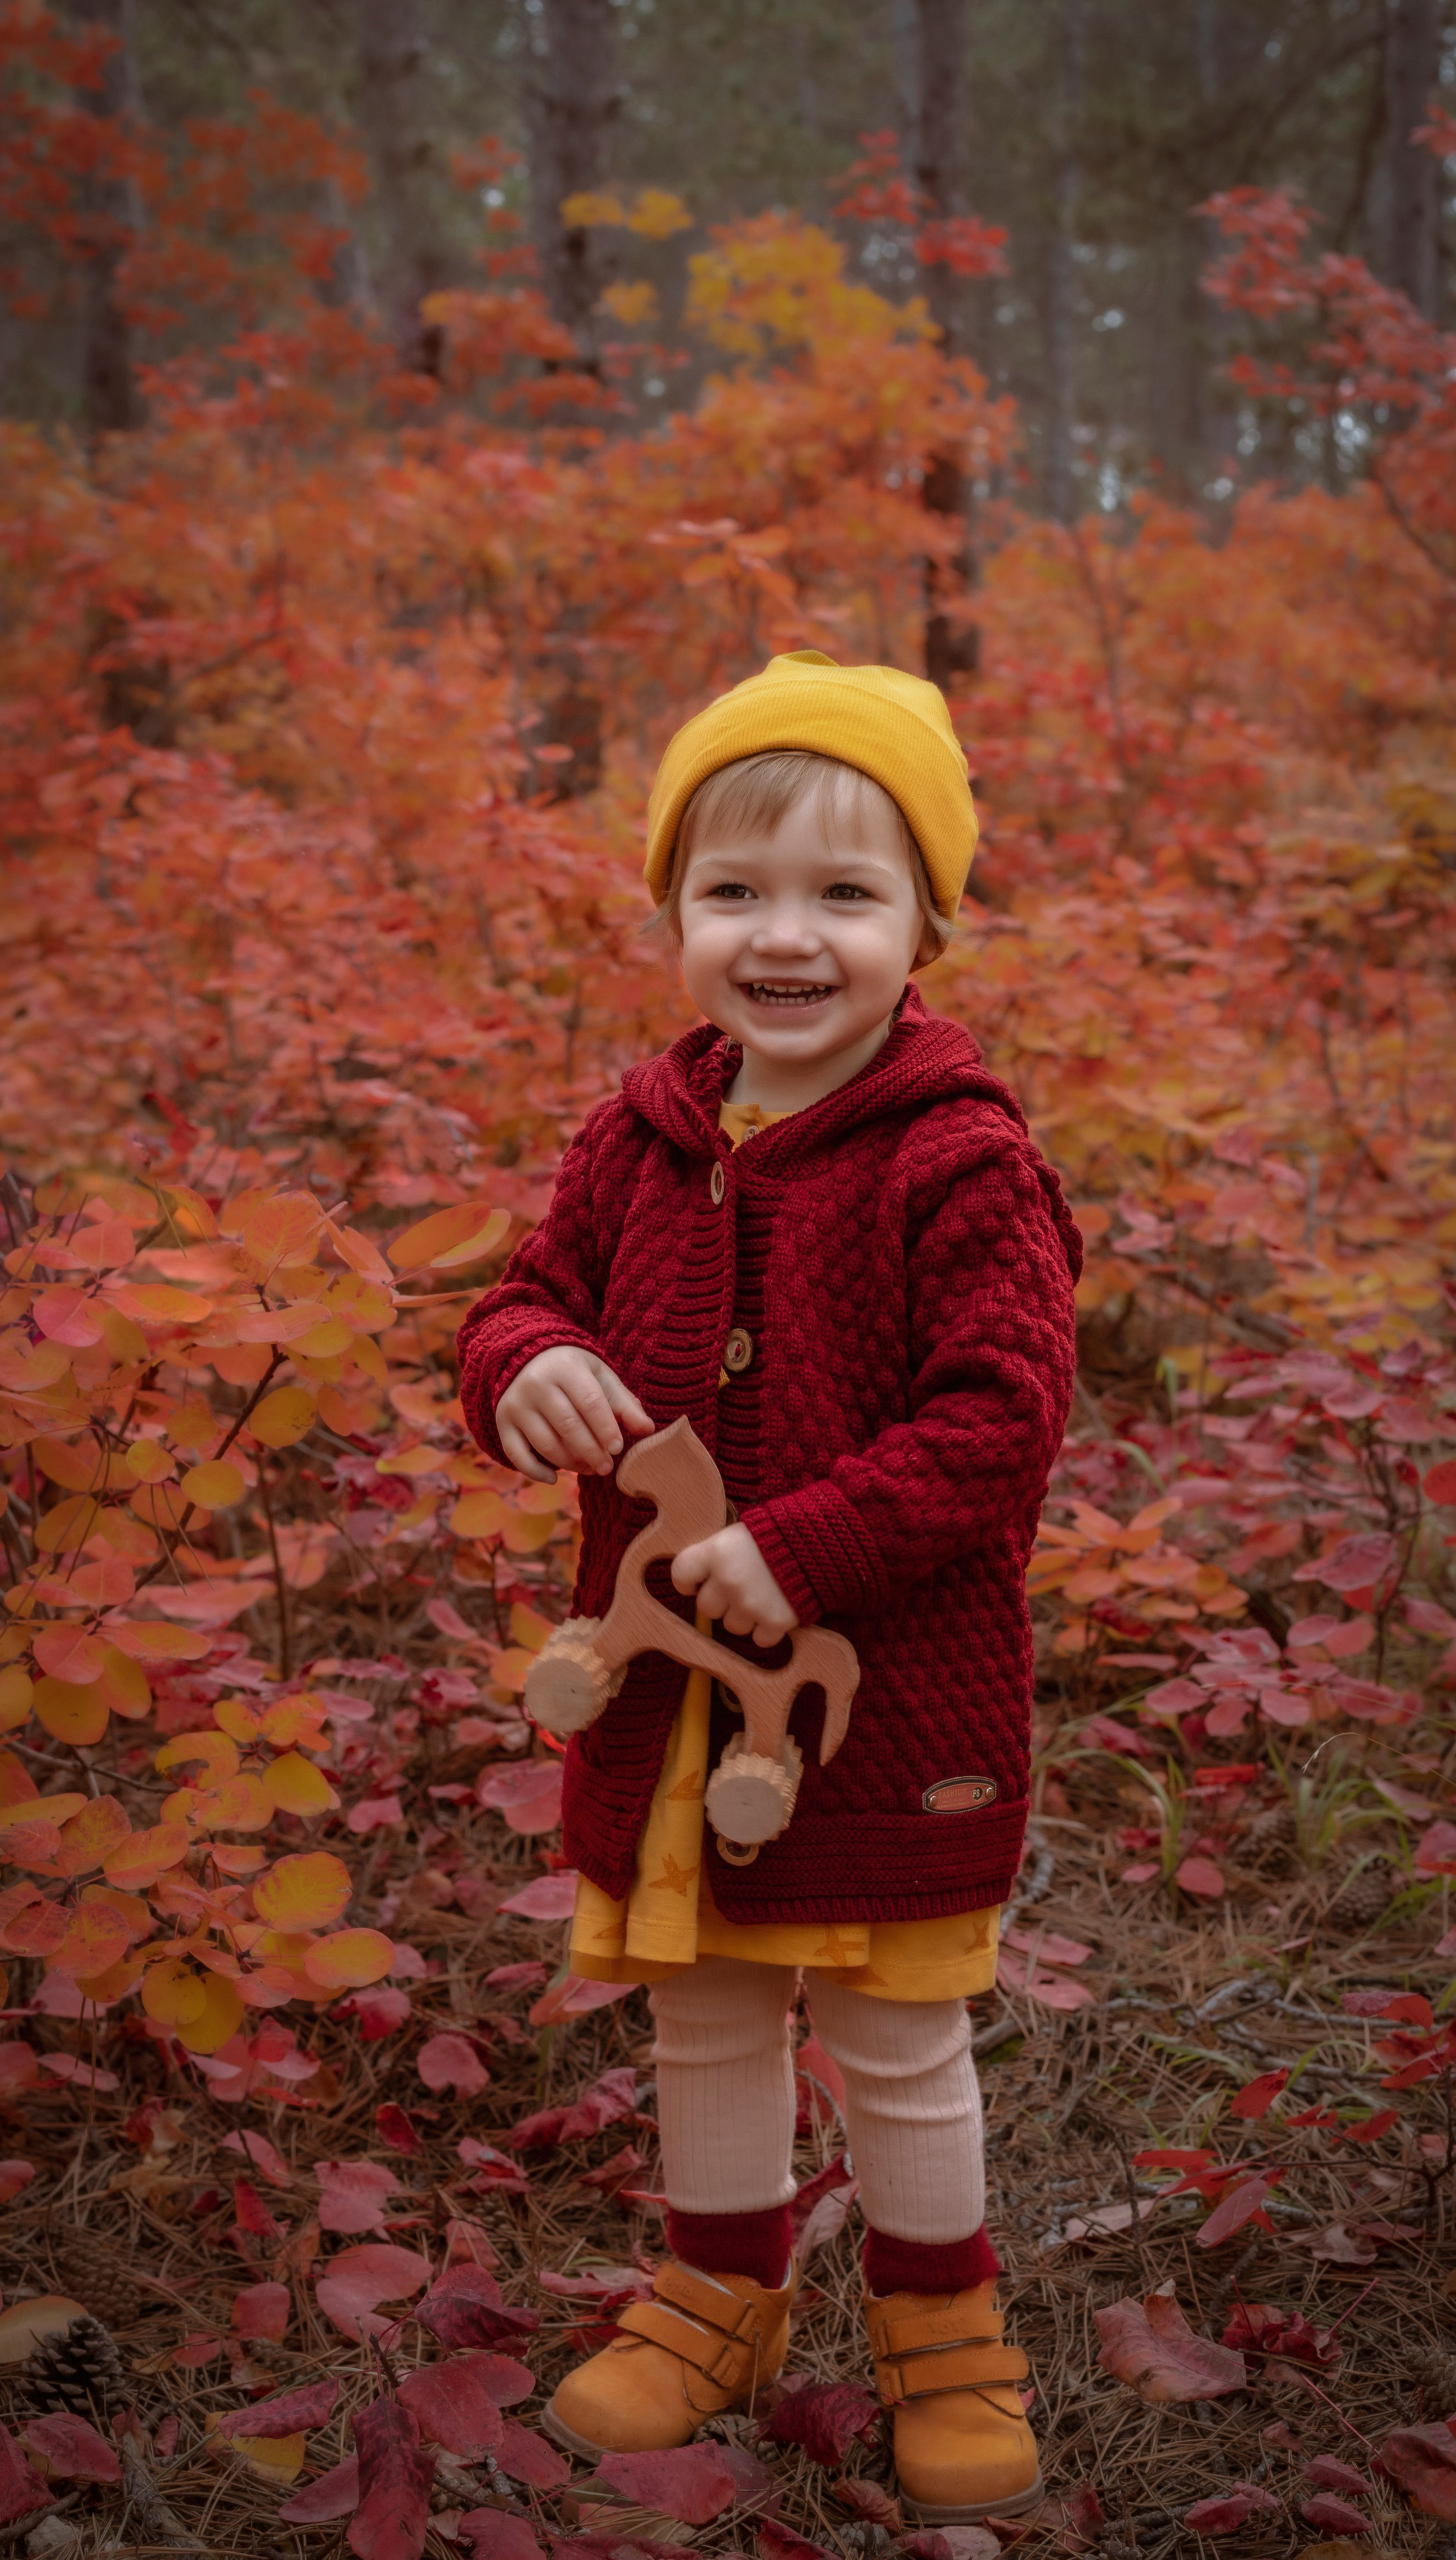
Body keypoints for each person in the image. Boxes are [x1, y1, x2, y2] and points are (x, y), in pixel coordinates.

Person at [458, 651, 1081, 2523]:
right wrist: (520, 1368)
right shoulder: (640, 1134)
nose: (783, 937)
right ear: (675, 916)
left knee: (893, 2031)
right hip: (671, 1707)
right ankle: (717, 2289)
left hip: (883, 1704)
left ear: (927, 927)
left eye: (843, 894)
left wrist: (800, 1541)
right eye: (734, 893)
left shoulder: (960, 1163)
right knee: (707, 2001)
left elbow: (1003, 1421)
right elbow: (518, 1295)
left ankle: (942, 2327)